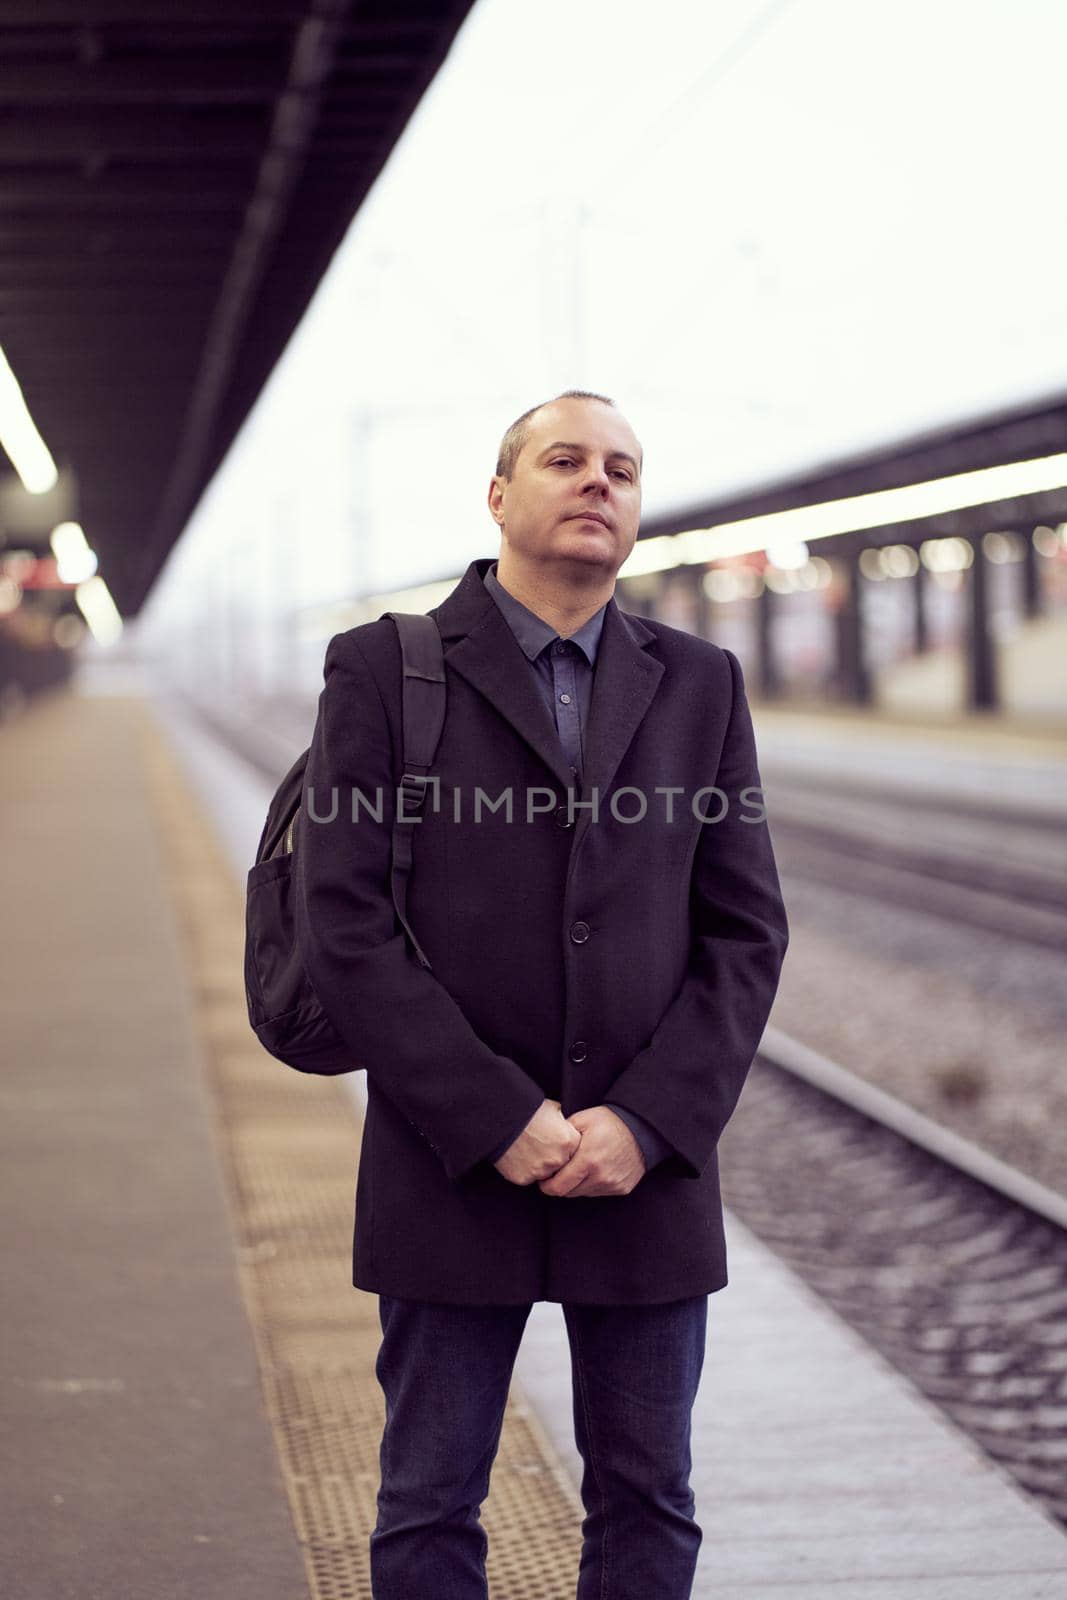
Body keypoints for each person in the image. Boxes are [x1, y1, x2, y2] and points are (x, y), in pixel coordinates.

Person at [294, 389, 789, 1599]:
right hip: (449, 1159)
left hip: (642, 1169)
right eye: (563, 459)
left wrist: (648, 1120)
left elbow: (744, 927)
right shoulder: (385, 667)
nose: (597, 482)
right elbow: (343, 919)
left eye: (621, 467)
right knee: (428, 1505)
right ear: (499, 495)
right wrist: (491, 1114)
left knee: (647, 1500)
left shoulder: (699, 683)